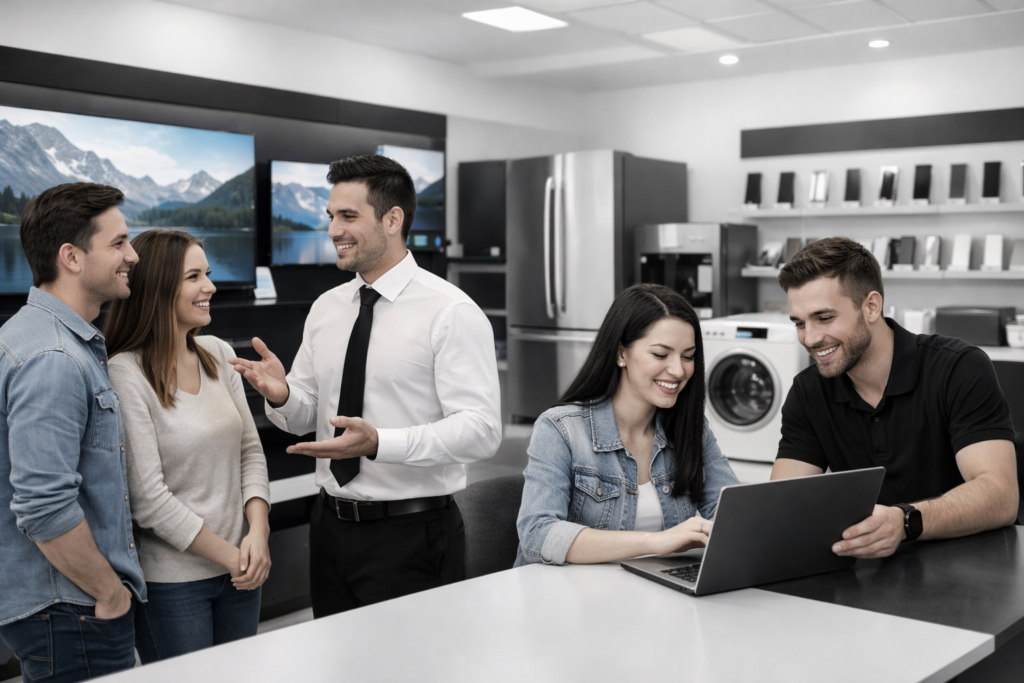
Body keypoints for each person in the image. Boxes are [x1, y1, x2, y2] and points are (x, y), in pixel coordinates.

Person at [230, 154, 501, 618]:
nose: (333, 229)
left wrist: (379, 443)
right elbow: (307, 412)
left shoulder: (451, 312)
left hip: (414, 534)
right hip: (330, 528)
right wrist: (282, 395)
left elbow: (481, 430)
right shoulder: (328, 307)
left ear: (392, 219)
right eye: (331, 216)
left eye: (348, 216)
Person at [772, 237, 1018, 559]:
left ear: (871, 306)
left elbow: (1000, 495)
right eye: (799, 323)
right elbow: (780, 505)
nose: (811, 338)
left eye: (825, 318)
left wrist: (904, 521)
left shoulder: (958, 367)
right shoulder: (809, 390)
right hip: (868, 575)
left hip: (973, 569)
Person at [0, 183, 145, 682]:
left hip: (66, 606)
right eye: (119, 243)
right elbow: (43, 504)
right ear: (72, 257)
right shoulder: (53, 359)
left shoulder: (36, 338)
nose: (133, 255)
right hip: (73, 608)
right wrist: (108, 593)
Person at [103, 230, 271, 662]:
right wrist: (234, 556)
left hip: (241, 571)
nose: (210, 287)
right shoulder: (125, 372)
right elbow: (148, 498)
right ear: (158, 288)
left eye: (208, 274)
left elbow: (249, 453)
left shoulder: (216, 352)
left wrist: (259, 533)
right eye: (194, 276)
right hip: (174, 586)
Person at [515, 284, 740, 566]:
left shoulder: (692, 429)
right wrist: (656, 542)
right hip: (567, 600)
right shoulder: (560, 429)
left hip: (648, 596)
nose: (679, 370)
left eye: (688, 356)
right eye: (660, 355)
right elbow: (538, 534)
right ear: (621, 353)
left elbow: (731, 512)